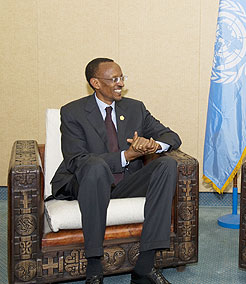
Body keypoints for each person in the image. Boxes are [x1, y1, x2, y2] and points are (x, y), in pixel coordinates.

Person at [51, 58, 181, 284]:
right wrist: (126, 156)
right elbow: (76, 160)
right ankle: (94, 267)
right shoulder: (73, 112)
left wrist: (154, 146)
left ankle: (144, 266)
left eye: (122, 77)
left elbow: (172, 137)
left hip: (124, 184)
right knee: (94, 166)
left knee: (167, 165)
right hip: (87, 184)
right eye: (114, 79)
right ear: (96, 83)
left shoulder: (135, 108)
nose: (120, 83)